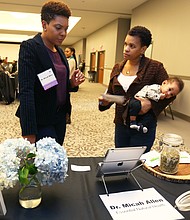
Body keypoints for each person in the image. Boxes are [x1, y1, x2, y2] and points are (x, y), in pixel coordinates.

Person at [99, 25, 178, 153]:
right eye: (125, 44)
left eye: (132, 46)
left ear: (143, 49)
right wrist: (105, 101)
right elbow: (112, 93)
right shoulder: (117, 67)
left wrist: (150, 104)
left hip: (143, 126)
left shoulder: (155, 67)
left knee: (139, 162)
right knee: (120, 159)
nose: (126, 49)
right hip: (121, 123)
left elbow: (172, 94)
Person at [16, 1, 85, 145]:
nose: (63, 33)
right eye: (58, 27)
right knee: (44, 163)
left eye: (66, 29)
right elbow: (26, 91)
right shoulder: (30, 47)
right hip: (40, 118)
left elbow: (54, 84)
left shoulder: (59, 51)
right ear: (44, 24)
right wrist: (29, 131)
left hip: (59, 116)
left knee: (56, 158)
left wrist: (71, 83)